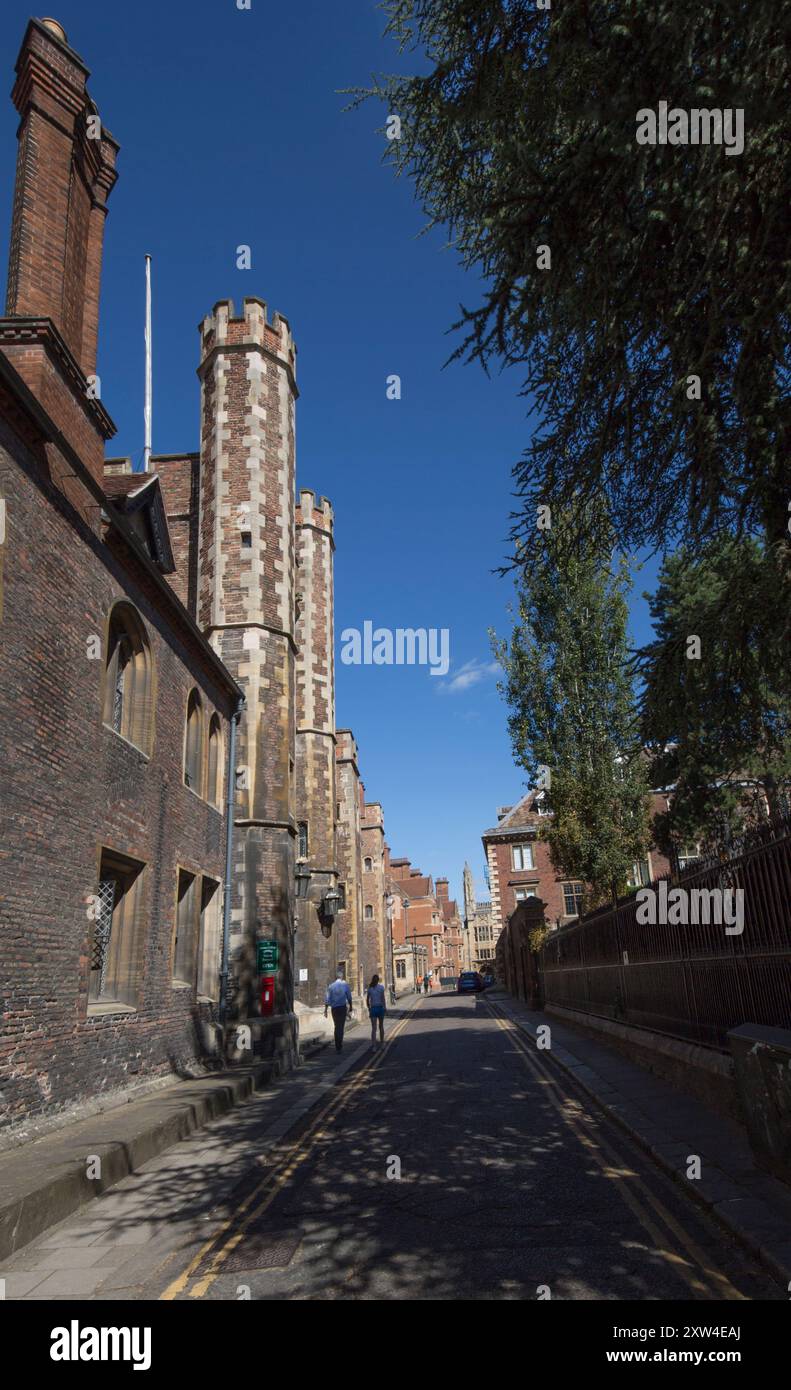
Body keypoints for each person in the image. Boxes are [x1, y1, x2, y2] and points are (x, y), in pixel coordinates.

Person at [324, 969, 353, 1053]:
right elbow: (349, 997)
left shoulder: (331, 986)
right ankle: (339, 1046)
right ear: (342, 976)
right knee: (341, 1027)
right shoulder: (345, 985)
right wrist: (351, 1006)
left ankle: (337, 1046)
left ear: (336, 977)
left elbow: (327, 999)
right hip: (342, 1008)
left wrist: (325, 1010)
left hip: (334, 1009)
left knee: (337, 1026)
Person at [366, 973, 386, 1048]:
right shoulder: (381, 988)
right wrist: (385, 1008)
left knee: (374, 1028)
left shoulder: (370, 989)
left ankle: (374, 1046)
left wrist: (369, 1008)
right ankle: (382, 1043)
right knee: (381, 1026)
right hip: (380, 1008)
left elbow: (367, 1000)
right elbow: (383, 999)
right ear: (378, 980)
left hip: (373, 1009)